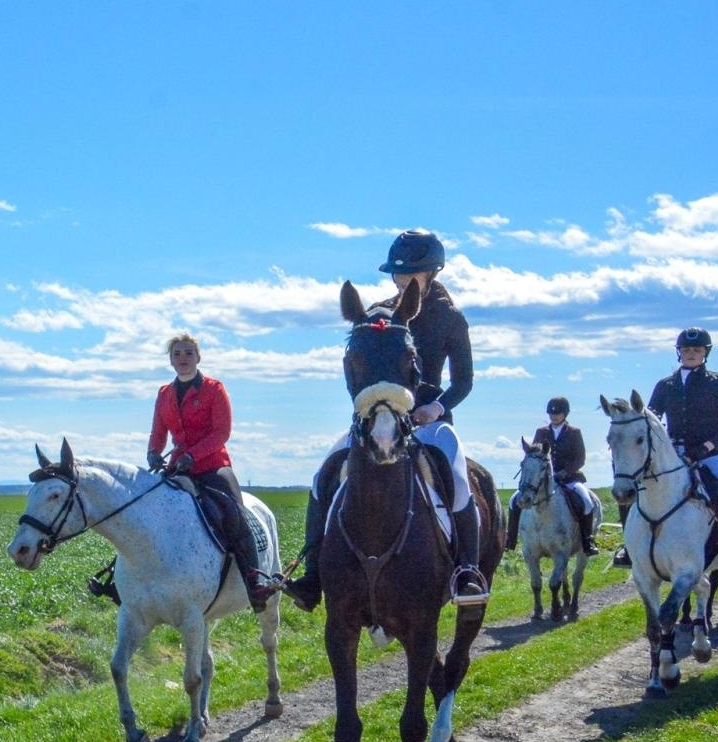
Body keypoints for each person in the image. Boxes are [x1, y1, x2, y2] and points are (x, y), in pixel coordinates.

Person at [283, 229, 489, 611]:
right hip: (378, 418)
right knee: (323, 475)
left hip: (429, 419)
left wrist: (435, 409)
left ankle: (467, 570)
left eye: (412, 273)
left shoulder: (451, 319)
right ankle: (313, 576)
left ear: (433, 273)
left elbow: (464, 382)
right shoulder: (380, 313)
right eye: (398, 274)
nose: (403, 280)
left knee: (459, 479)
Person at [147, 333, 279, 610]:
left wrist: (193, 456)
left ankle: (254, 582)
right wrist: (153, 452)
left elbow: (222, 433)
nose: (182, 358)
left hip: (212, 466)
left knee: (234, 514)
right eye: (177, 354)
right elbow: (159, 431)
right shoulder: (164, 394)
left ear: (198, 357)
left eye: (188, 353)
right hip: (177, 467)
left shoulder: (214, 389)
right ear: (170, 360)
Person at [610, 327, 718, 575]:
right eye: (686, 350)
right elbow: (652, 417)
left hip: (713, 453)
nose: (691, 353)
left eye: (696, 350)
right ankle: (628, 547)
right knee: (634, 485)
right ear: (679, 353)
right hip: (675, 453)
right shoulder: (666, 385)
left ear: (705, 353)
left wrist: (707, 447)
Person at [506, 397, 599, 556]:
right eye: (551, 413)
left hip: (568, 478)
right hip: (542, 480)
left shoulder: (574, 433)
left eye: (558, 413)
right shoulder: (541, 432)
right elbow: (533, 453)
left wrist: (565, 472)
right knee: (514, 500)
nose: (554, 416)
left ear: (565, 414)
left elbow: (580, 458)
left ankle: (587, 541)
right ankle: (510, 540)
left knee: (586, 501)